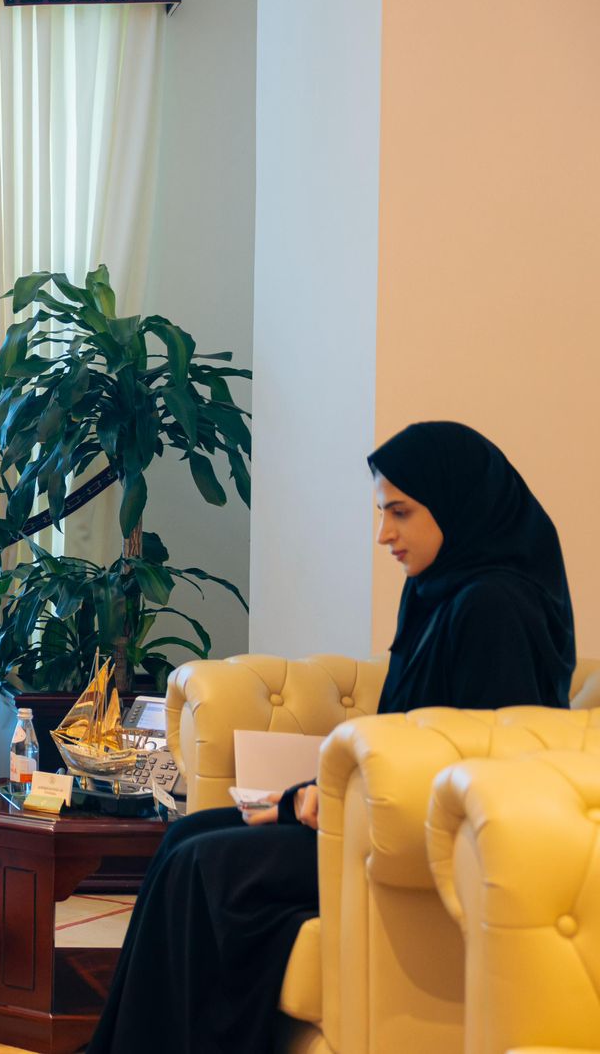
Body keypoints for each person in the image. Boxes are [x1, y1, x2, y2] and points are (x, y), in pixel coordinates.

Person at [87, 421, 576, 1054]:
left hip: (414, 844)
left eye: (400, 512)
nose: (384, 534)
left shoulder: (495, 608)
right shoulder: (437, 591)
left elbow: (482, 767)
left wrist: (319, 804)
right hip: (375, 820)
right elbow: (407, 737)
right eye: (382, 512)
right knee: (185, 836)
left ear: (456, 504)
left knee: (204, 864)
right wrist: (312, 794)